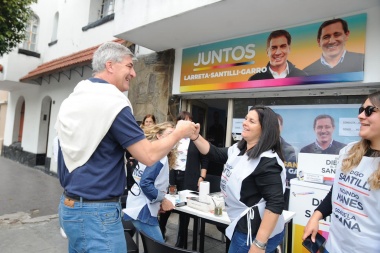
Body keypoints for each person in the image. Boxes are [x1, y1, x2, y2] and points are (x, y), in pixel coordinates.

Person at [55, 41, 196, 253]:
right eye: (129, 66)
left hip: (70, 207)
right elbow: (148, 156)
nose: (134, 73)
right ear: (110, 65)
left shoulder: (73, 100)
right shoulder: (113, 103)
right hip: (97, 214)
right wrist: (179, 133)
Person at [190, 105, 286, 253]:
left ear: (264, 129)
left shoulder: (267, 162)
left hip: (252, 233)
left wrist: (259, 244)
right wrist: (195, 136)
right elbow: (215, 153)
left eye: (251, 121)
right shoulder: (239, 149)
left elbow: (275, 204)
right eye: (246, 118)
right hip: (241, 224)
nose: (244, 122)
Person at [303, 91, 380, 253]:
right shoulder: (349, 151)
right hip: (331, 247)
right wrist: (316, 216)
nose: (360, 116)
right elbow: (338, 191)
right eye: (361, 110)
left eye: (369, 110)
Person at [159, 111, 209, 247]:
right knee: (168, 205)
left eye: (190, 121)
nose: (188, 124)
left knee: (185, 210)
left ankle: (181, 241)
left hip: (189, 178)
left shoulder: (197, 139)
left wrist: (202, 177)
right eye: (184, 121)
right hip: (174, 176)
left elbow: (205, 158)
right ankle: (160, 231)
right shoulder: (174, 137)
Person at [123, 122, 177, 242]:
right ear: (159, 136)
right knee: (158, 248)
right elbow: (145, 183)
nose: (174, 138)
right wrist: (163, 200)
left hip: (137, 205)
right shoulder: (160, 155)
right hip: (143, 209)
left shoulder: (152, 152)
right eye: (169, 134)